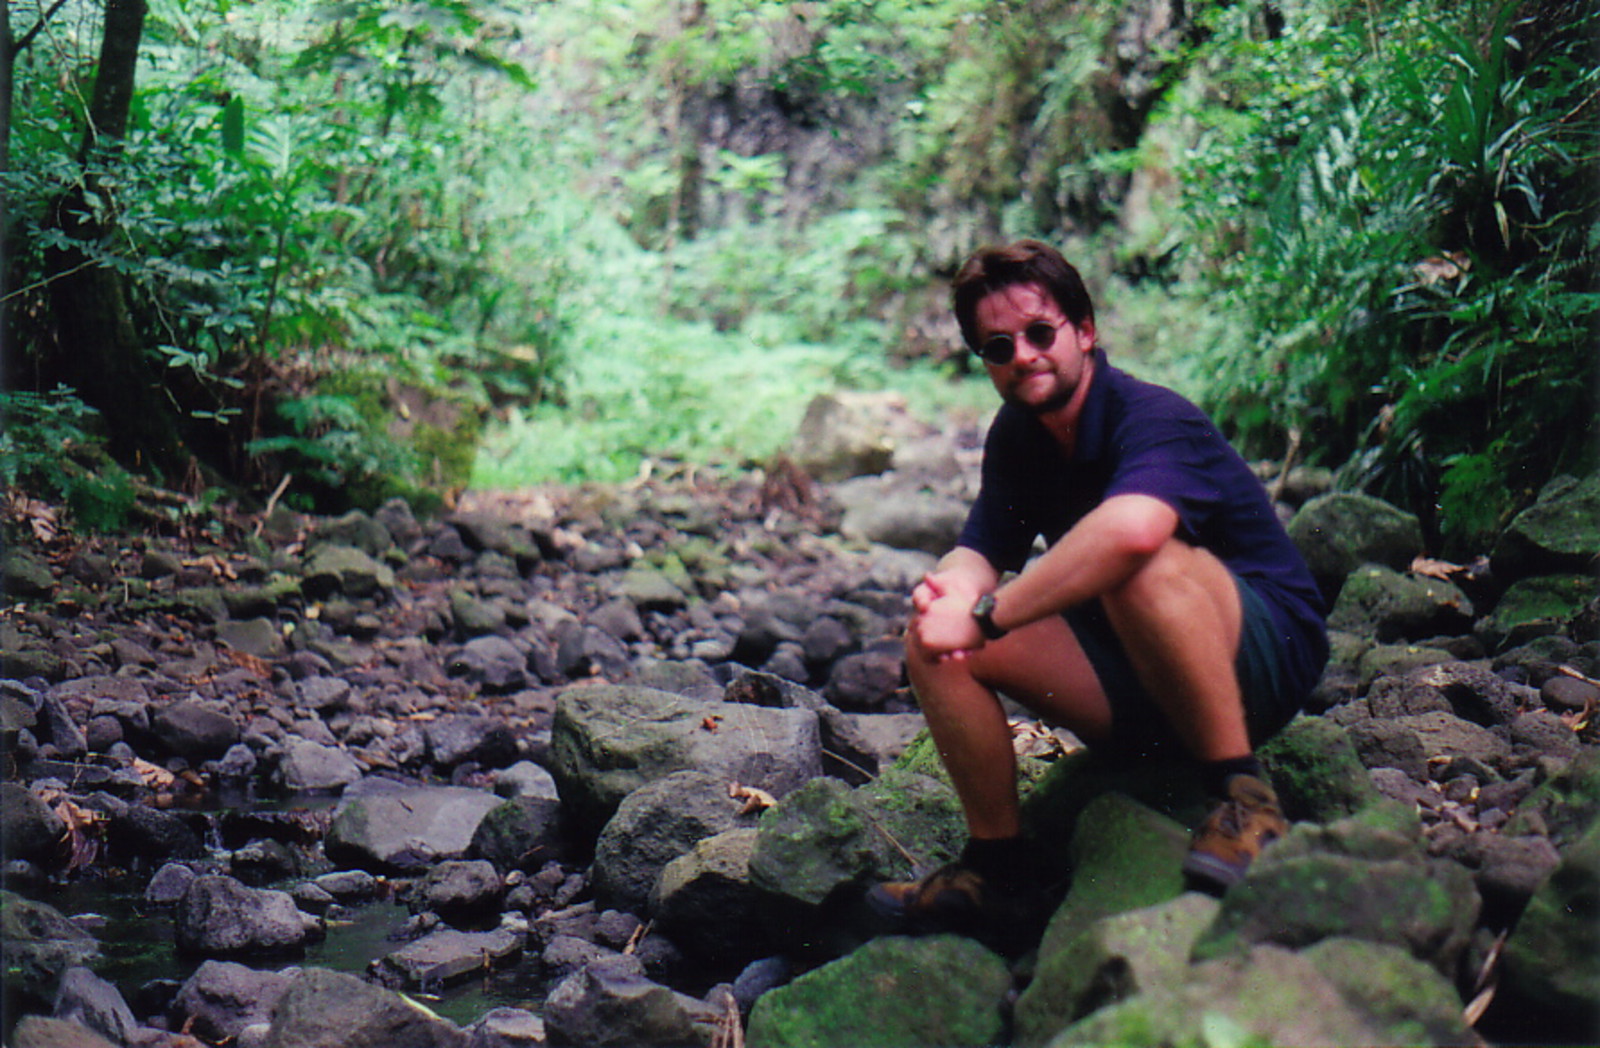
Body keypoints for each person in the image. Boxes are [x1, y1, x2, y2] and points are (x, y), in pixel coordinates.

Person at [869, 240, 1328, 947]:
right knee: (933, 635)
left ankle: (1248, 800)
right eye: (997, 347)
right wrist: (951, 595)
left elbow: (1134, 533)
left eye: (1040, 333)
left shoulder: (1152, 417)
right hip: (1140, 682)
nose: (1022, 355)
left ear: (1084, 330)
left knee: (1133, 560)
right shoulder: (1019, 437)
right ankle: (1000, 871)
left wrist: (986, 618)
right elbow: (982, 548)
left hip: (1262, 660)